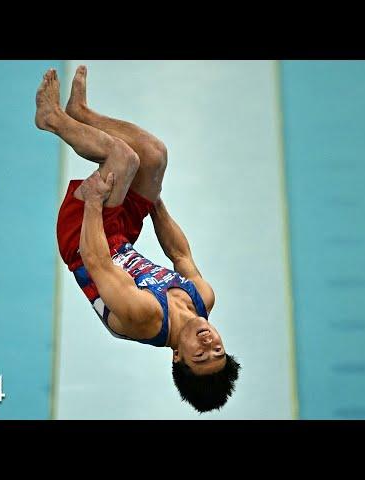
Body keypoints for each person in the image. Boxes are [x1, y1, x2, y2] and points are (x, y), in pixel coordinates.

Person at [35, 66, 240, 413]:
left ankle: (52, 119)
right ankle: (81, 114)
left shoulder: (144, 318)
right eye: (217, 350)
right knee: (155, 156)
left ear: (177, 358)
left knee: (123, 160)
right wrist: (154, 203)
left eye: (200, 356)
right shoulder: (202, 298)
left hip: (84, 238)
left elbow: (95, 261)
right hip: (120, 235)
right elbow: (181, 255)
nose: (208, 343)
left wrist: (95, 202)